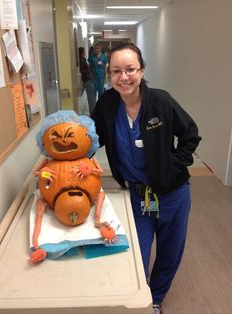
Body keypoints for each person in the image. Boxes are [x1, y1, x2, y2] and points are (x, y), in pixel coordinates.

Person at [91, 42, 201, 314]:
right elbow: (92, 138)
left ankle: (155, 299)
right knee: (135, 254)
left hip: (173, 195)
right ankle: (138, 294)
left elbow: (190, 135)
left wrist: (172, 168)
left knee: (169, 252)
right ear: (109, 74)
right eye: (116, 71)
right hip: (138, 196)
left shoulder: (160, 102)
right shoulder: (106, 104)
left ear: (142, 70)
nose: (123, 77)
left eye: (130, 69)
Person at [78, 47, 96, 114]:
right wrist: (88, 69)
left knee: (91, 96)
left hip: (87, 79)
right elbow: (81, 70)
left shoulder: (82, 59)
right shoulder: (81, 60)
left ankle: (93, 111)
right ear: (82, 52)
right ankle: (93, 112)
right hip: (87, 79)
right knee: (91, 97)